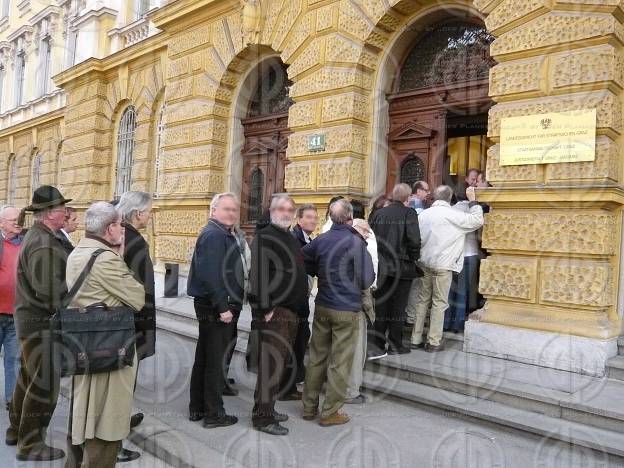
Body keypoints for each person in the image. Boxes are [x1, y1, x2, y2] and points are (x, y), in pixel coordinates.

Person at [64, 202, 145, 468]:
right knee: (107, 417)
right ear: (110, 228)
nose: (122, 229)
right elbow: (137, 298)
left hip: (85, 343)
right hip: (110, 348)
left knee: (84, 413)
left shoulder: (78, 252)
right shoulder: (105, 259)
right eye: (120, 225)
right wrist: (119, 259)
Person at [7, 185, 71, 461]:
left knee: (28, 378)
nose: (66, 213)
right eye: (61, 210)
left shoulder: (41, 237)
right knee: (43, 384)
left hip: (32, 321)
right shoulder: (43, 242)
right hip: (41, 323)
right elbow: (49, 292)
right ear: (48, 214)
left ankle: (16, 431)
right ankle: (31, 443)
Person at [302, 199, 375, 427]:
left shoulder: (321, 240)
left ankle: (309, 407)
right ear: (350, 218)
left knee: (316, 357)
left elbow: (304, 259)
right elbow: (366, 279)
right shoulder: (355, 243)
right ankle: (330, 412)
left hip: (323, 304)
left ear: (331, 218)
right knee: (340, 362)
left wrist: (320, 272)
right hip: (346, 308)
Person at [249, 195, 309, 435]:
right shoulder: (265, 237)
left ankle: (267, 409)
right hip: (274, 312)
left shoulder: (289, 236)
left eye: (290, 209)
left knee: (278, 365)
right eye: (281, 209)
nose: (286, 213)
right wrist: (265, 308)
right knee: (270, 367)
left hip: (291, 311)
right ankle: (262, 418)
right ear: (272, 211)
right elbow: (258, 275)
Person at [187, 193, 245, 428]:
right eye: (226, 209)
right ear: (213, 211)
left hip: (212, 305)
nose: (232, 213)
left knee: (205, 357)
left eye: (234, 210)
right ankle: (214, 414)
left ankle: (198, 407)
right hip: (216, 307)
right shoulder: (214, 235)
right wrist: (223, 307)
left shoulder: (220, 233)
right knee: (215, 362)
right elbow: (211, 275)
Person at [410, 185, 484, 352]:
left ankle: (415, 339)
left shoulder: (424, 214)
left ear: (435, 197)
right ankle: (434, 341)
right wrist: (473, 201)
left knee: (422, 301)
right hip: (443, 265)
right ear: (450, 198)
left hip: (424, 263)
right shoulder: (454, 215)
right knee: (439, 303)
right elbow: (477, 220)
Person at [115, 191, 156, 462]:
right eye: (149, 211)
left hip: (124, 320)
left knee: (121, 381)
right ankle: (114, 441)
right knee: (121, 382)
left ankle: (120, 423)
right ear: (137, 213)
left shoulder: (121, 235)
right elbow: (137, 288)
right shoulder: (132, 240)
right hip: (130, 322)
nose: (150, 216)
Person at [368, 183, 421, 358]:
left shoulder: (379, 214)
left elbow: (371, 240)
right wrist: (414, 258)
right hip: (402, 267)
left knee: (382, 304)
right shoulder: (409, 213)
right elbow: (414, 240)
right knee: (399, 306)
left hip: (382, 267)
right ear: (408, 198)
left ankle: (378, 342)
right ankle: (395, 344)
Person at [279, 203, 318, 401]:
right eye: (309, 217)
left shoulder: (307, 238)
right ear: (299, 219)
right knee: (294, 343)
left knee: (300, 340)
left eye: (315, 217)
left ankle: (290, 383)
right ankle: (286, 387)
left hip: (301, 297)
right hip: (294, 300)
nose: (313, 220)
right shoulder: (295, 239)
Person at [345, 201, 377, 405]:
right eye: (365, 231)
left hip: (329, 303)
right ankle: (350, 391)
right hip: (353, 306)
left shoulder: (330, 239)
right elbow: (366, 281)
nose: (368, 235)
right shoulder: (359, 247)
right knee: (356, 351)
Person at [0, 206, 23, 411]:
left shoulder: (25, 244)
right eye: (12, 219)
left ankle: (12, 399)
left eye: (19, 219)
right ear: (1, 223)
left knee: (13, 359)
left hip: (16, 313)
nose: (17, 222)